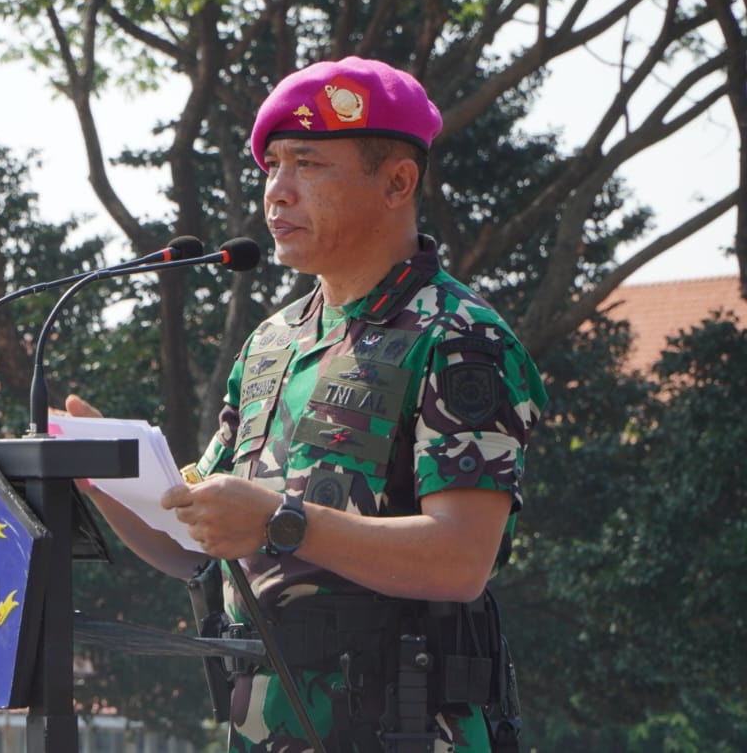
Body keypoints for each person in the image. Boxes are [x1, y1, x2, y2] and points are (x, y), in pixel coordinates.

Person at [69, 56, 547, 752]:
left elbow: (460, 558)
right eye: (272, 168)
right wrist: (99, 473)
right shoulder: (271, 343)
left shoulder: (459, 339)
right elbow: (200, 543)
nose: (278, 193)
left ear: (397, 182)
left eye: (308, 164)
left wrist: (280, 522)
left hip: (403, 731)